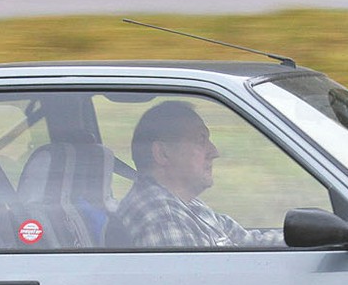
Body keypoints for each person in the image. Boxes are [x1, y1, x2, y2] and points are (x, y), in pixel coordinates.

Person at [109, 100, 282, 248]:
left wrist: (296, 237)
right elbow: (197, 278)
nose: (214, 152)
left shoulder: (187, 205)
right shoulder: (164, 220)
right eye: (200, 140)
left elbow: (248, 242)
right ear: (162, 153)